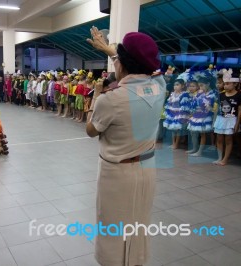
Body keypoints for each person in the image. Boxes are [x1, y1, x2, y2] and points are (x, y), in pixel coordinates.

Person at [86, 27, 166, 266]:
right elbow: (143, 68)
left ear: (120, 64)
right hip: (147, 168)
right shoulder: (159, 86)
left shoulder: (111, 99)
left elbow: (91, 130)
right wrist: (110, 49)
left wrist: (95, 96)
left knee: (113, 224)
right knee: (139, 222)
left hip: (117, 174)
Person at [213, 69, 241, 165]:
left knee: (228, 140)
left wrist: (237, 124)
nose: (225, 85)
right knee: (219, 139)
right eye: (224, 84)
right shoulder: (221, 95)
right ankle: (220, 157)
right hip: (220, 119)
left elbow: (240, 111)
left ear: (235, 84)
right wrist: (214, 120)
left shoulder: (239, 96)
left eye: (228, 83)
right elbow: (217, 109)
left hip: (231, 119)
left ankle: (225, 159)